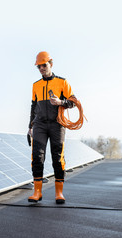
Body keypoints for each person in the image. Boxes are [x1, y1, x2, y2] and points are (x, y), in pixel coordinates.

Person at [28, 51, 75, 204]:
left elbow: (73, 102)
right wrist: (30, 126)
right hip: (40, 124)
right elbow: (33, 107)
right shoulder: (36, 85)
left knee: (58, 158)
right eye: (39, 66)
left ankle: (59, 193)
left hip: (57, 124)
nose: (41, 68)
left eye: (44, 65)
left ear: (51, 64)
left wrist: (61, 102)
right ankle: (37, 192)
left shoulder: (62, 82)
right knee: (37, 157)